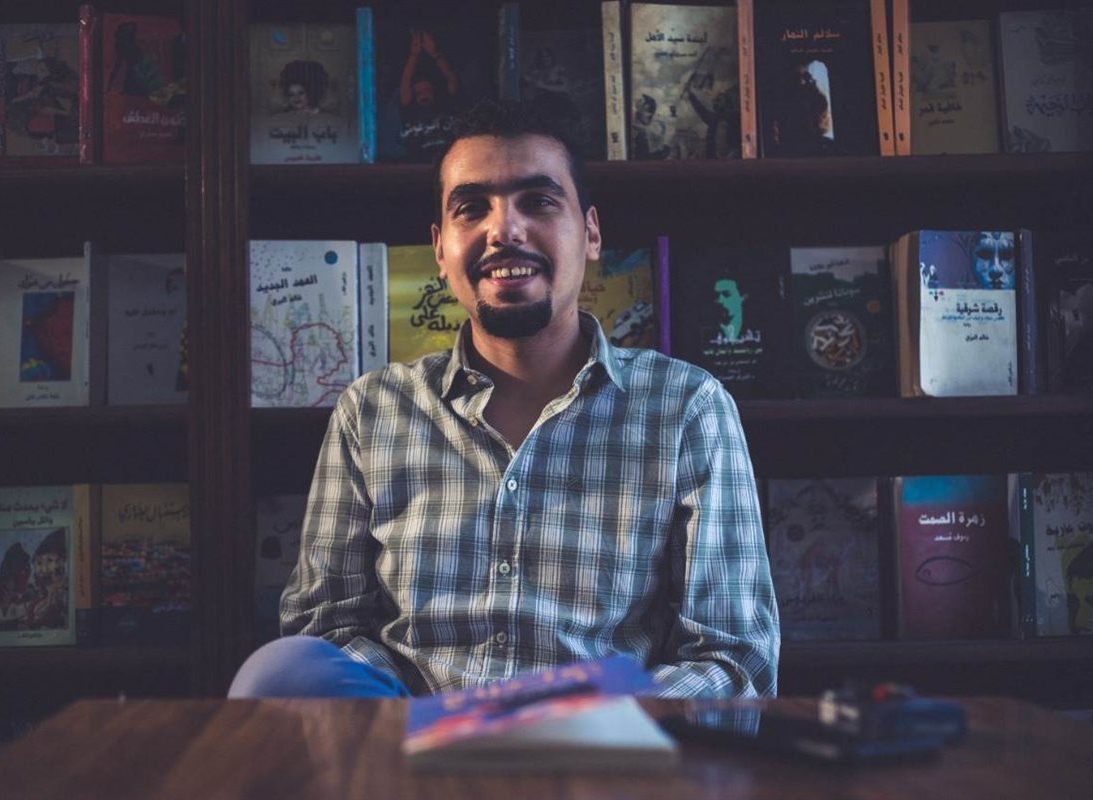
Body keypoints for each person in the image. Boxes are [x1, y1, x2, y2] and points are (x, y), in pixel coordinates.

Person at [229, 100, 779, 699]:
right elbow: (326, 627)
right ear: (441, 251)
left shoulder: (687, 408)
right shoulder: (371, 410)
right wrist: (422, 721)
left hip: (601, 740)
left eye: (538, 201)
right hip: (416, 738)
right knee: (278, 672)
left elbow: (733, 657)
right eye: (472, 208)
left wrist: (589, 720)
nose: (503, 231)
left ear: (591, 233)